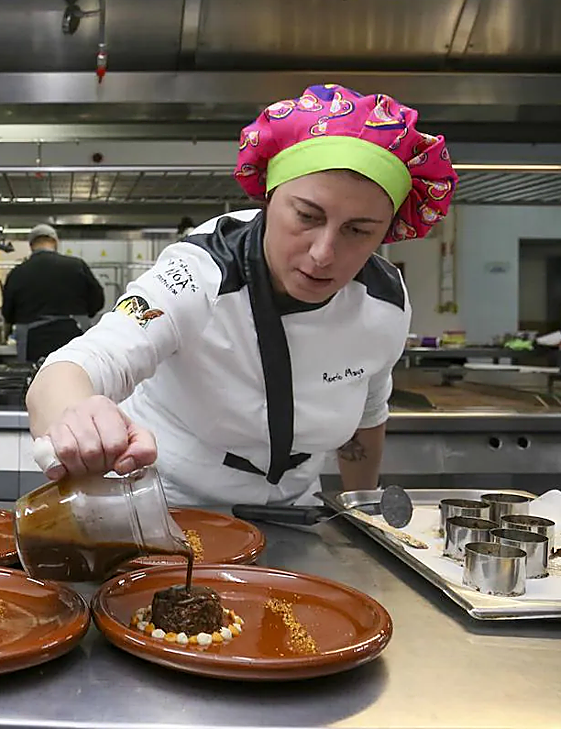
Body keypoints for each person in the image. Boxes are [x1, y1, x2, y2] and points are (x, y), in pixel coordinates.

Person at [26, 84, 458, 506]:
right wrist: (75, 415)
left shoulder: (385, 300)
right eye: (307, 216)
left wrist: (363, 512)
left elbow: (368, 412)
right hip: (168, 502)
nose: (324, 253)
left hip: (294, 508)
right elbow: (80, 364)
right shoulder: (200, 272)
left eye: (359, 231)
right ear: (269, 197)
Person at [1, 224, 105, 362]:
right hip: (74, 335)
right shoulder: (76, 265)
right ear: (55, 242)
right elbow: (98, 300)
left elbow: (8, 313)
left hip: (32, 341)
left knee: (35, 379)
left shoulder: (17, 273)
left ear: (31, 245)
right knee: (77, 376)